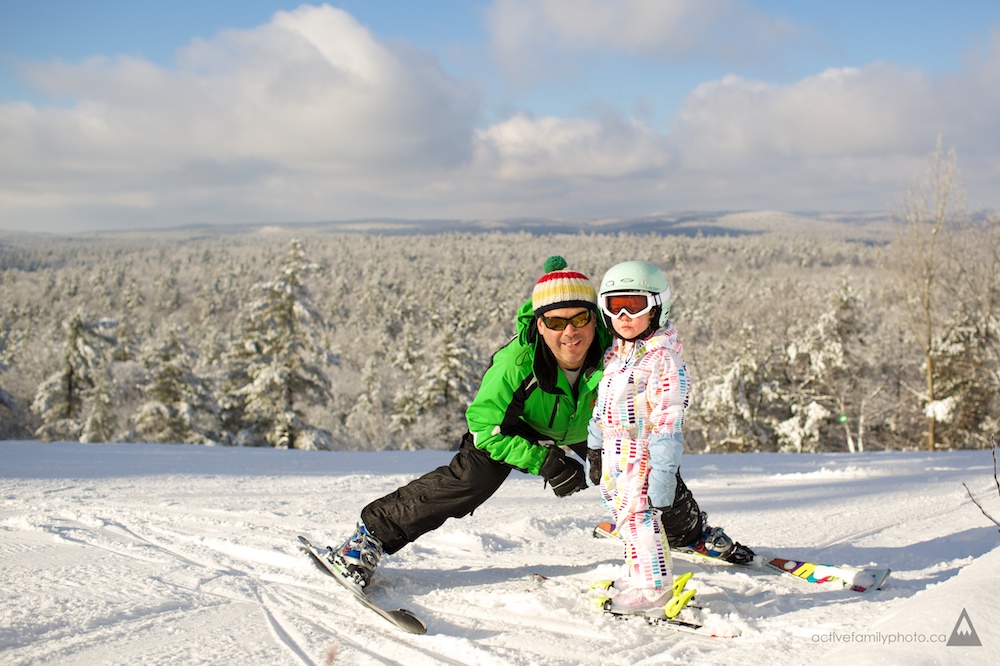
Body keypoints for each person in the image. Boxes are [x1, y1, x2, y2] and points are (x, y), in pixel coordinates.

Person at [321, 255, 612, 592]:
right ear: (540, 324)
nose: (571, 332)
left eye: (580, 318)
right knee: (470, 481)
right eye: (557, 322)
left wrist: (609, 451)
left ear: (595, 320)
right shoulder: (515, 364)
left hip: (583, 425)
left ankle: (673, 530)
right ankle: (367, 538)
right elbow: (485, 428)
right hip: (513, 426)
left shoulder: (613, 352)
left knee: (638, 455)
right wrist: (543, 461)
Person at [586, 260, 755, 614]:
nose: (623, 315)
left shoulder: (664, 361)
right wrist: (595, 446)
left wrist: (663, 472)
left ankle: (653, 590)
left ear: (657, 308)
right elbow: (601, 406)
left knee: (640, 519)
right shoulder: (615, 355)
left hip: (641, 453)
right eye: (614, 306)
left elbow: (667, 423)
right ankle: (638, 576)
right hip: (615, 455)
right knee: (625, 519)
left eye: (634, 305)